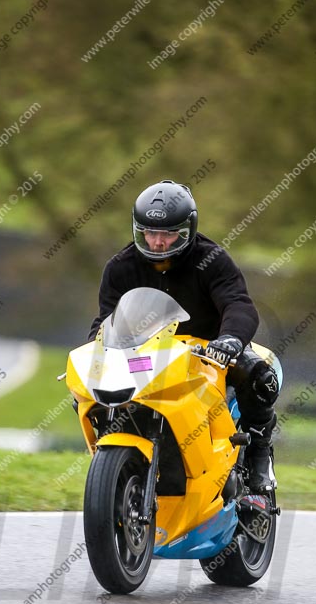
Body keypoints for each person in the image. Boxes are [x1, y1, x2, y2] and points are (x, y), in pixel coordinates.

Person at [87, 179, 280, 493]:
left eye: (167, 233)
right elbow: (105, 320)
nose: (158, 242)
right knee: (90, 391)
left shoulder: (212, 260)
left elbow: (238, 304)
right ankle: (116, 467)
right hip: (146, 358)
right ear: (137, 229)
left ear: (188, 230)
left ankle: (259, 454)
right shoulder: (119, 269)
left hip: (210, 353)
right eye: (150, 232)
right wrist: (94, 351)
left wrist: (230, 339)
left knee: (259, 376)